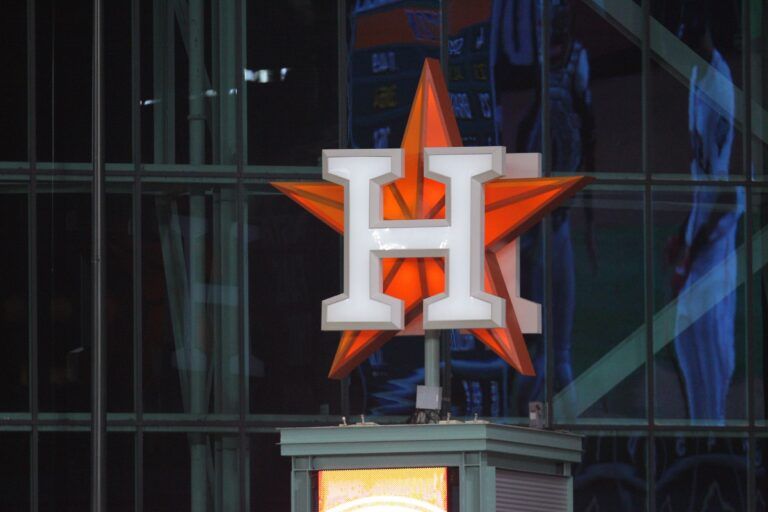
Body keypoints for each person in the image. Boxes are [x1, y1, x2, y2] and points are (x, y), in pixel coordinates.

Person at [666, 10, 742, 421]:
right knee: (685, 333)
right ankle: (702, 429)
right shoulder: (698, 77)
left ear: (703, 40)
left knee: (712, 341)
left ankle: (717, 437)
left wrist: (690, 252)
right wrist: (683, 234)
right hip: (702, 222)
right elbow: (703, 183)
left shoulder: (720, 89)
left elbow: (722, 189)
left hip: (718, 229)